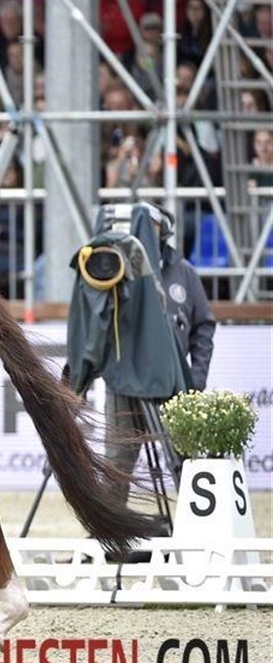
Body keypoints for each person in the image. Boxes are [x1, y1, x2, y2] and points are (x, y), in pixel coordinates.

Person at [104, 206, 215, 506]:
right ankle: (109, 528)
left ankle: (198, 521)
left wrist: (196, 379)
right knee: (116, 463)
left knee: (184, 459)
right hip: (125, 381)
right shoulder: (116, 267)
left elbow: (204, 326)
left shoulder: (184, 272)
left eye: (151, 224)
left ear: (164, 230)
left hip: (172, 382)